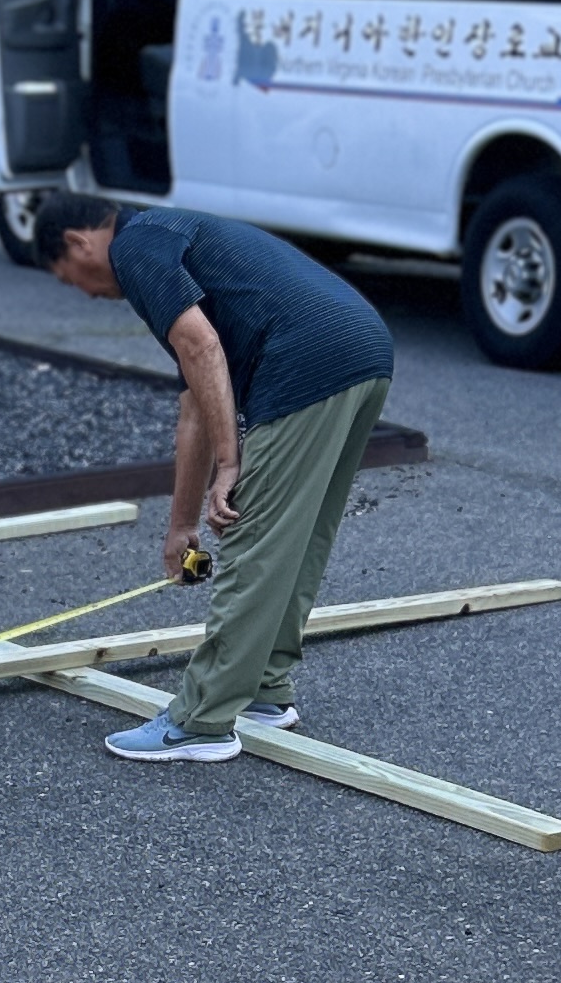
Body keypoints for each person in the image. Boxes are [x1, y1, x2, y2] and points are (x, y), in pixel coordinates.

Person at [25, 187, 393, 763]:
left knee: (254, 541)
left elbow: (201, 346)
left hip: (307, 359)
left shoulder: (135, 247)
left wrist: (230, 463)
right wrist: (181, 526)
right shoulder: (166, 239)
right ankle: (265, 687)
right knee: (297, 537)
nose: (85, 292)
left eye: (69, 278)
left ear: (78, 243)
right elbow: (195, 405)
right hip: (362, 349)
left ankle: (201, 721)